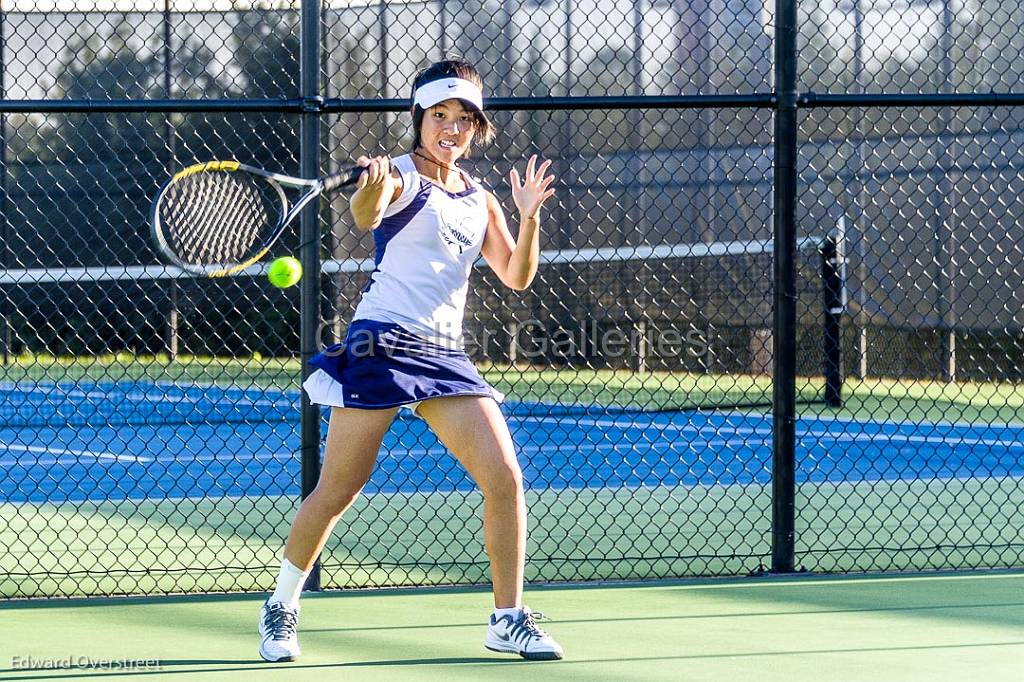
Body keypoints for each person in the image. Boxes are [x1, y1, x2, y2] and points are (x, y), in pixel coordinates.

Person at [258, 58, 562, 663]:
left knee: (504, 477)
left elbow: (516, 276)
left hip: (444, 354)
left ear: (476, 130)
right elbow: (367, 215)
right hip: (382, 343)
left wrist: (528, 217)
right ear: (420, 118)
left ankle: (507, 618)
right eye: (440, 116)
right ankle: (282, 606)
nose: (450, 129)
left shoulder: (482, 203)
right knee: (339, 489)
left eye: (463, 120)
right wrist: (371, 189)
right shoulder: (396, 176)